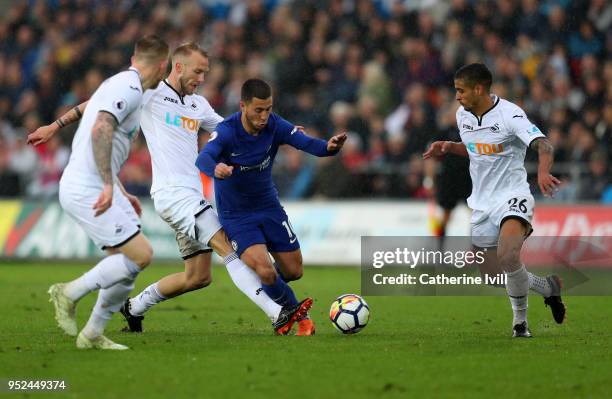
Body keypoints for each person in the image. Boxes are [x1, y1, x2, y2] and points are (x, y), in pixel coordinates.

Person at [29, 43, 311, 336]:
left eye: (205, 72)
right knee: (228, 247)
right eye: (199, 71)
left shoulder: (198, 106)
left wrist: (287, 133)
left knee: (198, 277)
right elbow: (97, 103)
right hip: (171, 194)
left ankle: (135, 307)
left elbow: (236, 131)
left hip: (193, 196)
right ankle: (278, 312)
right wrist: (54, 126)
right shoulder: (150, 94)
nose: (202, 79)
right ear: (179, 67)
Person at [45, 35, 169, 350]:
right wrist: (108, 184)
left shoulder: (124, 87)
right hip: (86, 186)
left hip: (95, 182)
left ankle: (92, 334)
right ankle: (68, 293)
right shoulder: (127, 88)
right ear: (163, 66)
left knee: (124, 268)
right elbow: (101, 126)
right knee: (141, 255)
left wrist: (55, 125)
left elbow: (89, 108)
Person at [423, 63, 565, 338]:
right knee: (490, 275)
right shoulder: (462, 116)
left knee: (508, 255)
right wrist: (450, 147)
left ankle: (519, 323)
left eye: (461, 90)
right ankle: (548, 288)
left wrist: (544, 171)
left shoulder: (510, 114)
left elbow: (543, 144)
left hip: (512, 196)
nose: (457, 96)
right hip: (482, 203)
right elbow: (478, 150)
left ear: (479, 89)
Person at [196, 78, 347, 336]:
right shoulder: (227, 131)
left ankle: (269, 286)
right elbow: (204, 158)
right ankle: (298, 315)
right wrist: (216, 168)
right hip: (237, 216)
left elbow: (305, 142)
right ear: (243, 106)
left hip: (268, 207)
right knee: (265, 269)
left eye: (268, 109)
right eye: (259, 110)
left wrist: (328, 148)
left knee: (293, 270)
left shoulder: (274, 124)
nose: (265, 116)